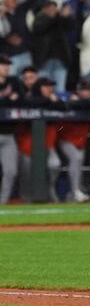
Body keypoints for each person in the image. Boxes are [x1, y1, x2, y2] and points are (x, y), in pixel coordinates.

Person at [58, 78, 90, 203]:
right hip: (63, 136)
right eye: (84, 90)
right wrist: (87, 102)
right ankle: (75, 192)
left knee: (78, 162)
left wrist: (86, 101)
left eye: (89, 90)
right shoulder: (68, 96)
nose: (87, 92)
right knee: (76, 159)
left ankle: (74, 192)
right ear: (78, 90)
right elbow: (66, 104)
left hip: (81, 139)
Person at [0, 55, 20, 204]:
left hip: (8, 134)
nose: (6, 67)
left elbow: (23, 101)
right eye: (3, 64)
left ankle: (2, 204)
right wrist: (6, 97)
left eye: (7, 64)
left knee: (11, 171)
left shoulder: (13, 81)